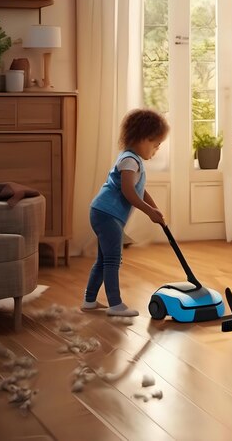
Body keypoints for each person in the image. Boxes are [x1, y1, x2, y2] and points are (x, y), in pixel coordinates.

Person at [82, 108, 169, 316]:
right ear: (142, 139)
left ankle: (89, 301)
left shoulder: (132, 159)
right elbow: (129, 192)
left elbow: (140, 189)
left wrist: (154, 208)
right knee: (113, 260)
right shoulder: (130, 161)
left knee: (104, 260)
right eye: (155, 145)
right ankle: (115, 304)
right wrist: (149, 212)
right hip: (107, 214)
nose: (156, 150)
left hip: (104, 213)